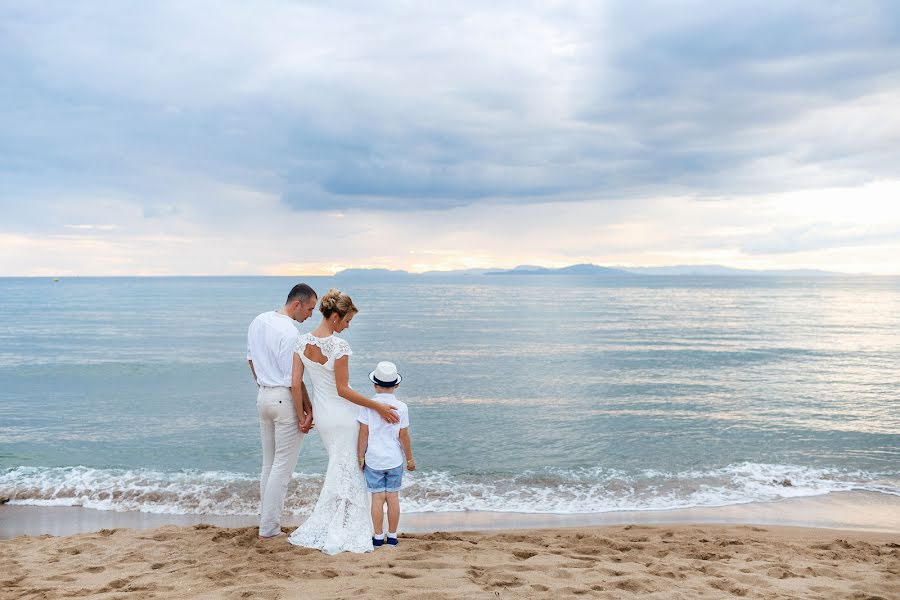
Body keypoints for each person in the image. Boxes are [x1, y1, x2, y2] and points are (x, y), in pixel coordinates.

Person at [287, 289, 399, 554]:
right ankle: (344, 527)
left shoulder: (301, 343)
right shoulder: (339, 346)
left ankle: (339, 521)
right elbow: (343, 389)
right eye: (347, 320)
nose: (348, 326)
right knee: (350, 469)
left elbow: (295, 384)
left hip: (325, 419)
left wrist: (303, 416)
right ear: (335, 316)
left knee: (340, 467)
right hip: (344, 417)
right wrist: (378, 406)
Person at [247, 283, 317, 540]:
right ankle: (269, 529)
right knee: (282, 470)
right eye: (309, 309)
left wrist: (264, 385)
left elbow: (251, 360)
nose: (310, 315)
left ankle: (266, 523)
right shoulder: (290, 334)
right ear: (296, 304)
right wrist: (303, 414)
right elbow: (294, 381)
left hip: (263, 395)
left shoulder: (259, 321)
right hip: (283, 399)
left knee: (269, 465)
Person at [357, 361, 414, 548]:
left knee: (377, 498)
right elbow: (403, 435)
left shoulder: (367, 406)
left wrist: (360, 457)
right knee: (393, 498)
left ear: (374, 384)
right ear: (396, 385)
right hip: (394, 460)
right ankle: (392, 536)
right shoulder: (402, 407)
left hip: (374, 460)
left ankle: (378, 537)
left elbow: (363, 433)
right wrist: (410, 459)